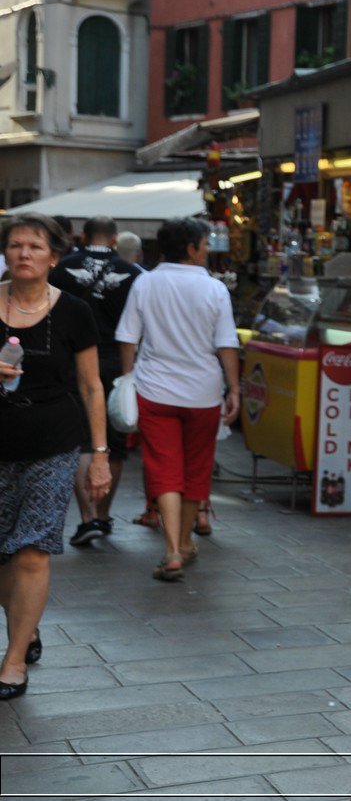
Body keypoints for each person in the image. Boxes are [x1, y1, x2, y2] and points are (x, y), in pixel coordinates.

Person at [0, 213, 110, 699]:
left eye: (35, 247)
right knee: (4, 554)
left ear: (55, 257)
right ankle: (26, 626)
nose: (24, 253)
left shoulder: (74, 311)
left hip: (54, 443)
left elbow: (91, 386)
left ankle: (13, 659)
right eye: (16, 245)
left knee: (31, 551)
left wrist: (100, 454)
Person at [115, 217, 240, 582]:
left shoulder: (146, 282)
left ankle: (170, 550)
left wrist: (127, 380)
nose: (208, 249)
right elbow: (226, 344)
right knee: (196, 470)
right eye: (204, 243)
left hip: (154, 390)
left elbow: (127, 337)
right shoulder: (214, 289)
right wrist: (234, 388)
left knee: (164, 469)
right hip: (202, 393)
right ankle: (185, 544)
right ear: (190, 248)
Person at [50, 215, 140, 546]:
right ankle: (103, 515)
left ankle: (86, 517)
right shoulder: (133, 273)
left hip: (72, 361)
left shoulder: (62, 268)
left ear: (84, 236)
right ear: (115, 240)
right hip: (116, 362)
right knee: (111, 443)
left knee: (81, 440)